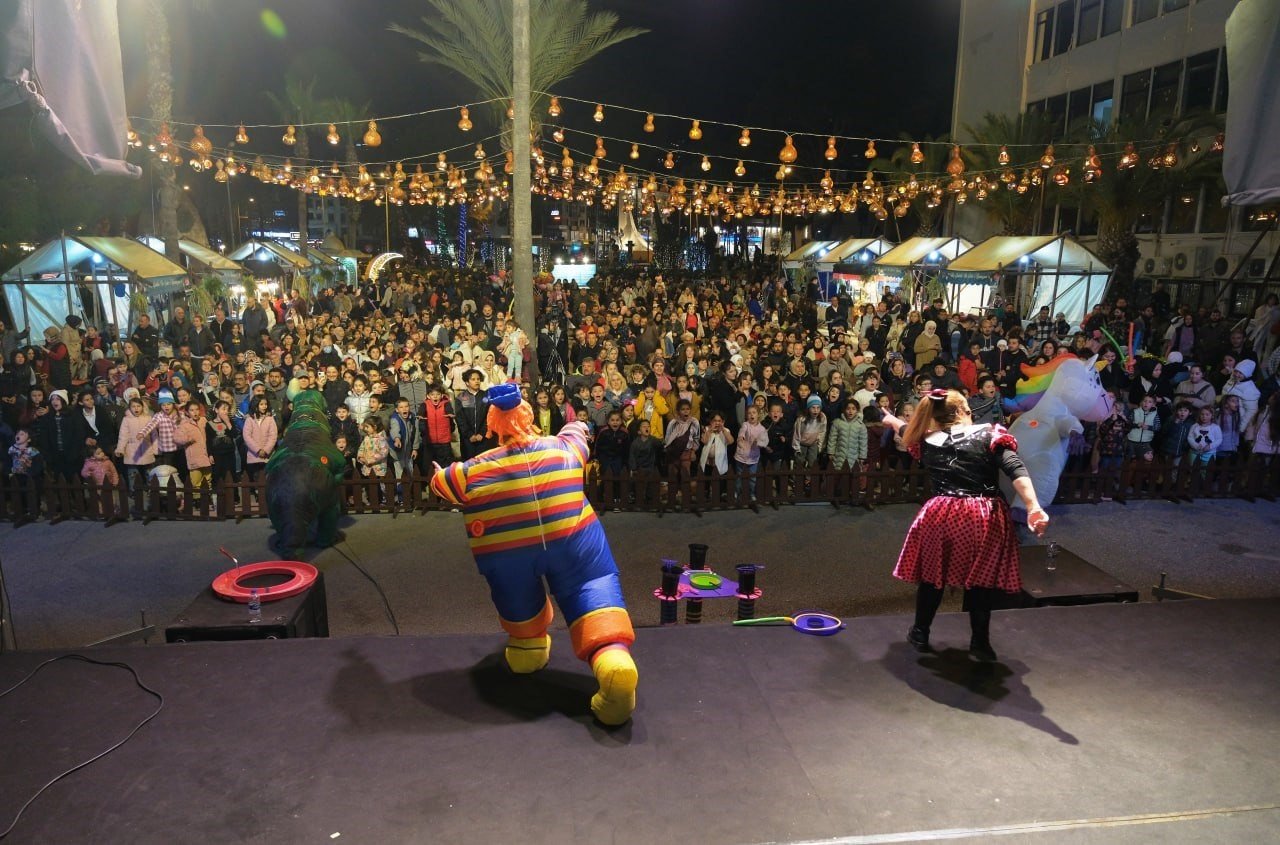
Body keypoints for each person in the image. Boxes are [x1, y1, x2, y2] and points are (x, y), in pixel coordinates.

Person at [428, 383, 638, 725]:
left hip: (510, 554)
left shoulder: (473, 470)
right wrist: (574, 426)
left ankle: (528, 648)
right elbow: (578, 433)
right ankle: (613, 662)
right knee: (593, 591)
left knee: (515, 594)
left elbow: (443, 485)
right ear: (528, 417)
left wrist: (439, 474)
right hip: (574, 542)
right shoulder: (563, 448)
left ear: (493, 424)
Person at [880, 389, 1048, 660]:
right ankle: (980, 644)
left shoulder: (927, 440)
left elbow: (905, 430)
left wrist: (891, 422)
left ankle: (921, 632)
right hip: (982, 515)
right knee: (981, 581)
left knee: (932, 577)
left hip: (940, 514)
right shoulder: (989, 435)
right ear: (962, 412)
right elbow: (1015, 467)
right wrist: (1033, 506)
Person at [242, 396, 278, 482]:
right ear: (255, 405)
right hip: (253, 456)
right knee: (255, 479)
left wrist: (265, 450)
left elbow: (273, 436)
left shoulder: (270, 419)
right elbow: (247, 436)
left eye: (265, 404)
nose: (264, 406)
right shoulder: (249, 420)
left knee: (267, 479)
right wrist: (258, 450)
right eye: (261, 404)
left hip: (267, 456)